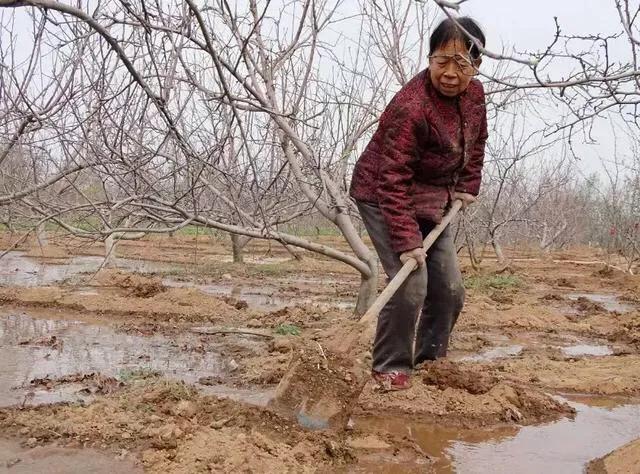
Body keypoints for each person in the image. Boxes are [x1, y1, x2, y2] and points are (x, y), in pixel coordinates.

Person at [349, 17, 488, 391]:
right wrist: (408, 241)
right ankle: (390, 367)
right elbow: (391, 178)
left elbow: (476, 145)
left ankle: (430, 361)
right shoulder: (411, 107)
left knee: (450, 290)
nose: (449, 72)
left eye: (461, 63)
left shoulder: (475, 97)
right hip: (384, 196)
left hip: (435, 199)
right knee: (410, 284)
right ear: (429, 58)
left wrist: (467, 185)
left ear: (476, 66)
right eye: (442, 60)